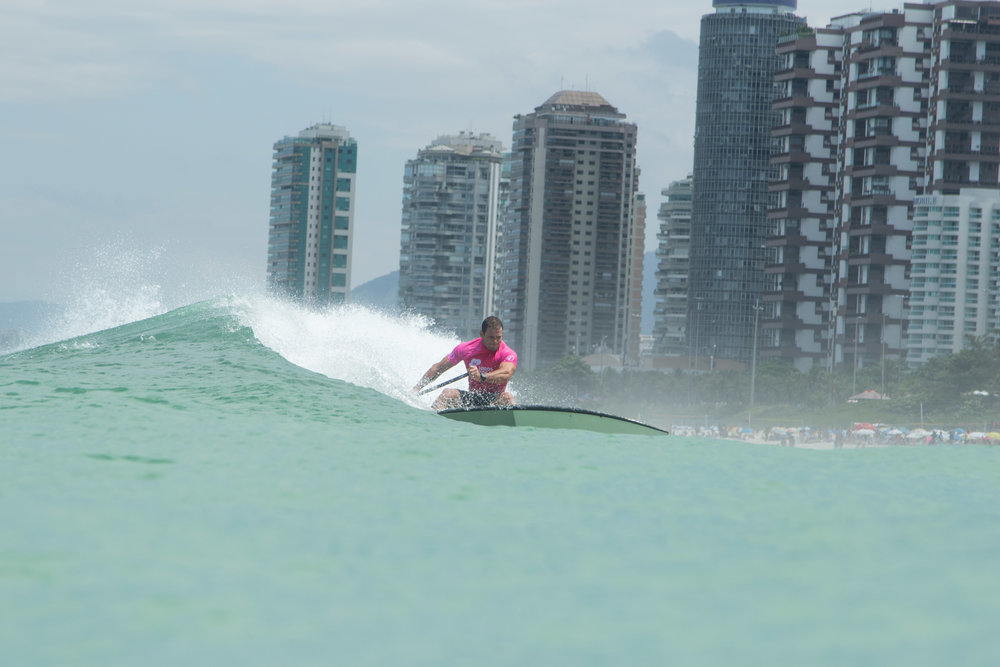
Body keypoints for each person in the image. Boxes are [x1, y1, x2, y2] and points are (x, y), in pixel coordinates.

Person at [413, 316, 517, 410]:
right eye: (491, 337)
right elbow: (438, 368)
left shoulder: (507, 353)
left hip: (495, 399)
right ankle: (432, 422)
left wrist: (482, 376)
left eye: (498, 337)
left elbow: (506, 373)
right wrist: (417, 388)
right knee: (447, 394)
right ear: (482, 334)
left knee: (508, 397)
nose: (495, 341)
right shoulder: (466, 349)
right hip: (472, 398)